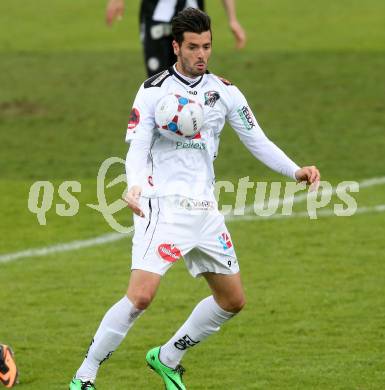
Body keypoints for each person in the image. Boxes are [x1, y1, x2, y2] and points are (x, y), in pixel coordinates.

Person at [69, 7, 320, 390]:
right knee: (140, 297)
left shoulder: (225, 91)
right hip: (161, 205)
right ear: (176, 47)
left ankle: (167, 357)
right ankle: (84, 375)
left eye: (207, 46)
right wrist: (133, 185)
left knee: (232, 301)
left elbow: (257, 139)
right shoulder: (154, 91)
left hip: (205, 211)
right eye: (193, 47)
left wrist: (294, 170)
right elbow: (137, 147)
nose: (201, 54)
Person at [106, 0, 246, 76]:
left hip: (192, 20)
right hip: (156, 19)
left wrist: (232, 18)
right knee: (158, 84)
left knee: (191, 80)